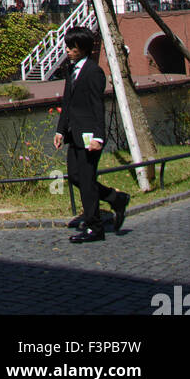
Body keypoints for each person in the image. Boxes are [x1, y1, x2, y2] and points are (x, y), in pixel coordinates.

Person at [53, 27, 130, 243]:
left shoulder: (94, 72)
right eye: (67, 46)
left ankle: (94, 227)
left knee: (87, 181)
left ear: (83, 48)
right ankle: (116, 198)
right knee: (75, 177)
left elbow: (98, 106)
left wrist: (99, 137)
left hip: (89, 135)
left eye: (72, 47)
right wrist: (60, 130)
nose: (67, 50)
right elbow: (67, 103)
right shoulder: (72, 70)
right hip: (74, 134)